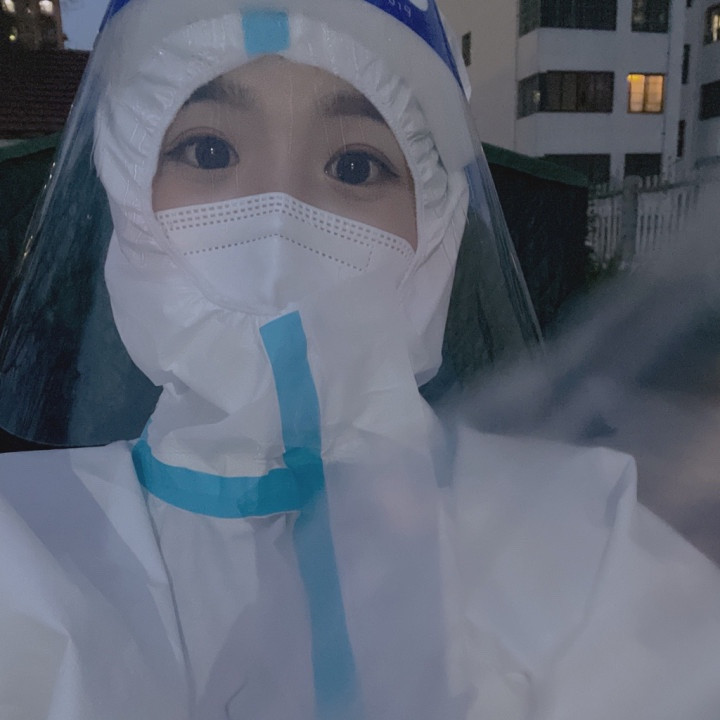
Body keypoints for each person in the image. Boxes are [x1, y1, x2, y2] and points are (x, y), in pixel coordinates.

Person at [1, 0, 719, 718]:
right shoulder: (25, 542)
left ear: (434, 231)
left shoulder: (581, 534)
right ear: (127, 195)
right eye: (209, 152)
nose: (277, 211)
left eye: (354, 165)